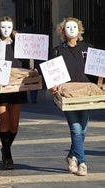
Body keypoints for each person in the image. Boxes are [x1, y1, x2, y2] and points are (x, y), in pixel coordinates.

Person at [50, 17, 98, 176]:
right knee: (76, 129)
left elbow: (97, 70)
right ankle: (82, 162)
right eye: (67, 28)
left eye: (74, 27)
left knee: (83, 130)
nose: (71, 30)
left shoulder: (88, 48)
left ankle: (71, 156)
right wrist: (53, 85)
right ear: (62, 31)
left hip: (84, 94)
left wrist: (102, 83)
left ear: (79, 29)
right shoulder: (58, 50)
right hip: (68, 94)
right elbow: (52, 72)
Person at [0, 16, 28, 169]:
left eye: (8, 27)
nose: (5, 30)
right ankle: (7, 155)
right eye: (3, 27)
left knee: (14, 125)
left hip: (16, 88)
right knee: (4, 120)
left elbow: (26, 62)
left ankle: (6, 147)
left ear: (12, 28)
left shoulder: (19, 45)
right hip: (0, 89)